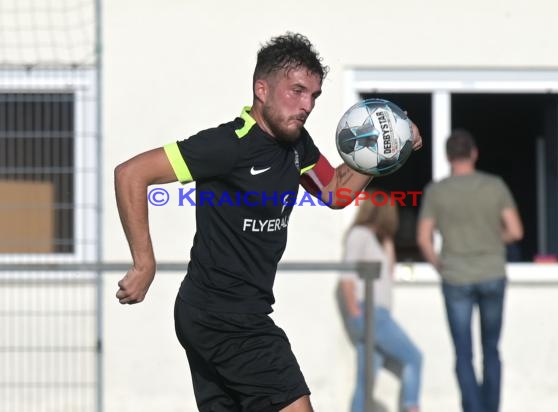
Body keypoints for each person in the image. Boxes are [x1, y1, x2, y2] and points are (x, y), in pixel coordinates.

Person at [114, 32, 422, 412]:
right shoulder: (228, 145)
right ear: (262, 88)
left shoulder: (297, 145)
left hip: (224, 313)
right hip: (224, 314)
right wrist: (144, 263)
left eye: (314, 96)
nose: (307, 104)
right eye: (296, 91)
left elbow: (336, 193)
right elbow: (131, 174)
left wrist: (387, 152)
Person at [416, 129, 523, 412]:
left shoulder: (436, 191)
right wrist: (490, 238)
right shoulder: (494, 186)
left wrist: (440, 265)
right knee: (491, 350)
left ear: (448, 157)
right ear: (474, 153)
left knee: (463, 353)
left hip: (455, 277)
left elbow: (423, 239)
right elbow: (515, 231)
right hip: (492, 273)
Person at [338, 194, 422, 412]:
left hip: (377, 313)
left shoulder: (377, 240)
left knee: (366, 380)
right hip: (370, 313)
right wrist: (355, 313)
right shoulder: (359, 235)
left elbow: (389, 273)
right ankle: (411, 407)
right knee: (414, 357)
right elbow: (346, 278)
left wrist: (387, 241)